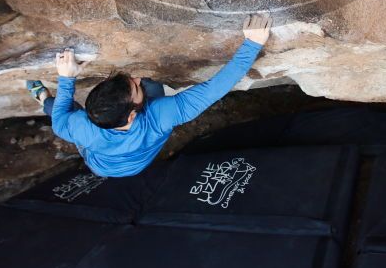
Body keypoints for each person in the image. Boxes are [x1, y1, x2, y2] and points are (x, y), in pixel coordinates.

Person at [25, 14, 272, 177]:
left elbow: (59, 121)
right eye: (134, 87)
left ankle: (41, 97)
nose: (137, 79)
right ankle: (42, 96)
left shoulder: (81, 127)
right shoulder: (161, 115)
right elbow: (215, 88)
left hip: (110, 163)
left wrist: (67, 77)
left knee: (63, 108)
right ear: (132, 115)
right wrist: (253, 44)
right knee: (153, 88)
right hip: (113, 163)